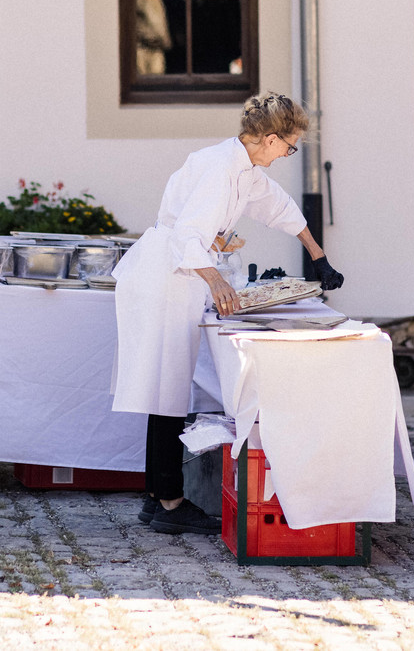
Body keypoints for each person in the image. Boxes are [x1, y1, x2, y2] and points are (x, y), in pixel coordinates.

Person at [111, 92, 345, 535]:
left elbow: (280, 209)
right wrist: (217, 282)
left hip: (179, 276)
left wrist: (318, 258)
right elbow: (188, 234)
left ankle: (154, 498)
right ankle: (170, 502)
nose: (288, 154)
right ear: (270, 138)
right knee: (166, 390)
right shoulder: (220, 168)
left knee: (168, 389)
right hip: (165, 276)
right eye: (289, 146)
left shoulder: (244, 168)